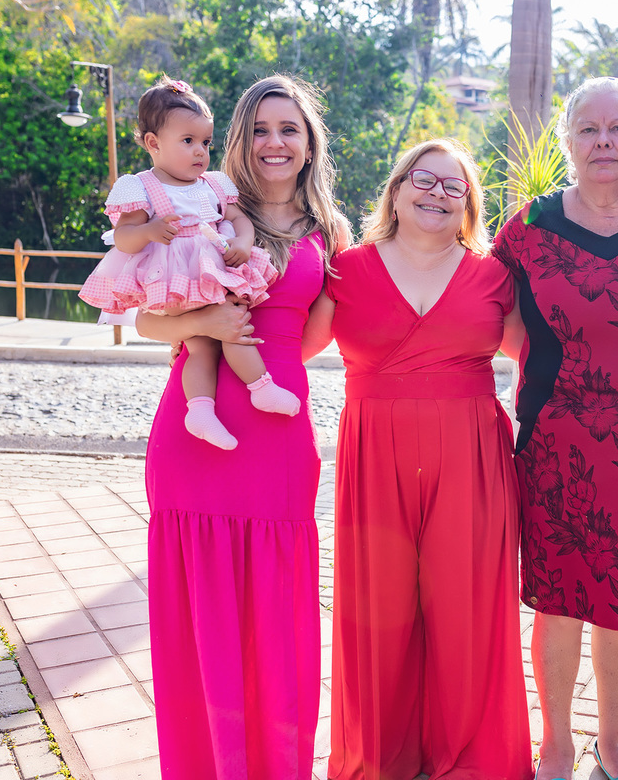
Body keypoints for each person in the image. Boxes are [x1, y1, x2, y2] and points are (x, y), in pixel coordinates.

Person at [135, 75, 348, 779]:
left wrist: (266, 363)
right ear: (239, 139)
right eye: (260, 129)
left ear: (309, 142)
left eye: (289, 129)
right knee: (200, 620)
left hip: (276, 433)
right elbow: (144, 319)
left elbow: (317, 336)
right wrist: (208, 324)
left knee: (275, 617)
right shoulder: (203, 207)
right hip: (194, 429)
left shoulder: (330, 233)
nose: (274, 142)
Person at [303, 138, 532, 780]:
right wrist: (200, 336)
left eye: (454, 186)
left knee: (468, 609)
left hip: (473, 456)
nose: (437, 194)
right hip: (374, 455)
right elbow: (292, 347)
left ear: (468, 205)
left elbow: (540, 357)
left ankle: (474, 761)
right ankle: (379, 758)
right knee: (377, 611)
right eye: (424, 180)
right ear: (397, 190)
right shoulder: (346, 268)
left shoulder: (493, 277)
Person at [492, 77, 618, 780]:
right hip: (554, 434)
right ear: (568, 141)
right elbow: (494, 317)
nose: (603, 141)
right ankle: (557, 744)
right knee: (557, 595)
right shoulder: (528, 226)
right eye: (588, 128)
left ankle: (615, 743)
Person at [79, 76, 300, 452]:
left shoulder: (213, 183)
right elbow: (123, 237)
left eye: (206, 142)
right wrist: (148, 230)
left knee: (222, 331)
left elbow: (239, 219)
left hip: (212, 268)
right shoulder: (141, 187)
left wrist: (243, 242)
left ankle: (227, 400)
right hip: (174, 275)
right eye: (188, 141)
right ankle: (232, 398)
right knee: (208, 339)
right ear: (154, 143)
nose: (200, 151)